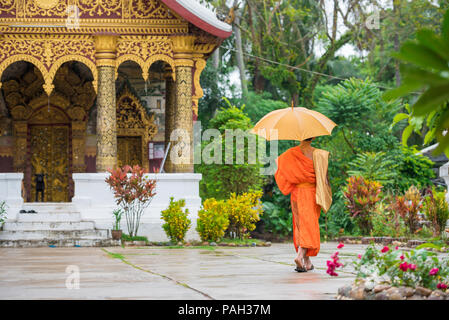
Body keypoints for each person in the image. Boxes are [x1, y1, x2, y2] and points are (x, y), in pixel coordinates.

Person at [274, 137, 332, 272]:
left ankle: (307, 261)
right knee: (309, 225)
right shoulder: (319, 154)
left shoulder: (291, 153)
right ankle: (300, 256)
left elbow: (278, 165)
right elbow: (323, 177)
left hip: (296, 193)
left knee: (300, 225)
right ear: (314, 137)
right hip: (311, 193)